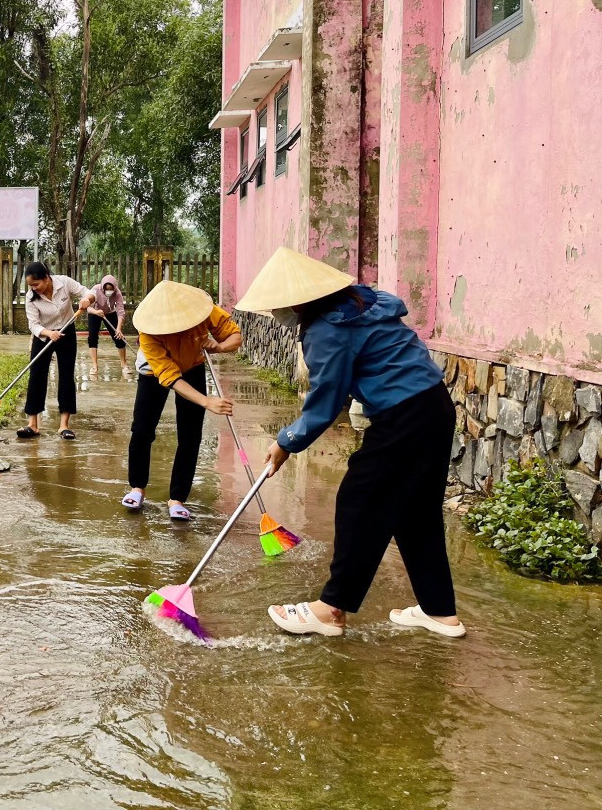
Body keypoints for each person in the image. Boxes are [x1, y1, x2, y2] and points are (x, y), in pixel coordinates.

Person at [236, 246, 465, 639]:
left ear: (300, 300)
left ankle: (331, 608)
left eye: (281, 306)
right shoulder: (362, 302)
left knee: (359, 500)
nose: (278, 314)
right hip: (435, 407)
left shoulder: (328, 329)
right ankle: (440, 611)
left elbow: (325, 400)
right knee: (415, 513)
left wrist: (286, 441)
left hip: (404, 416)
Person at [123, 281, 241, 520]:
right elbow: (171, 378)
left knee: (190, 435)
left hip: (193, 366)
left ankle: (177, 499)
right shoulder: (149, 333)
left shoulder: (202, 311)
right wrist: (206, 401)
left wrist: (218, 347)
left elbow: (235, 336)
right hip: (154, 372)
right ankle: (137, 487)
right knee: (142, 430)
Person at [20, 262, 93, 440]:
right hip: (43, 335)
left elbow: (87, 292)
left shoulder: (64, 283)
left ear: (46, 278)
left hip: (66, 332)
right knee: (36, 375)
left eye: (36, 284)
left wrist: (87, 300)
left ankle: (64, 426)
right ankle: (33, 424)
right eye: (30, 285)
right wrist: (48, 333)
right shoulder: (31, 297)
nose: (33, 288)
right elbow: (33, 325)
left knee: (67, 375)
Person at [86, 274, 129, 379]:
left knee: (119, 337)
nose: (109, 291)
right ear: (103, 287)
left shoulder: (117, 293)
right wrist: (96, 312)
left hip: (110, 312)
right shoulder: (96, 289)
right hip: (95, 312)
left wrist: (118, 328)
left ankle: (124, 364)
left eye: (111, 289)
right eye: (107, 289)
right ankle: (94, 366)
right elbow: (88, 308)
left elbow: (120, 311)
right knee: (92, 338)